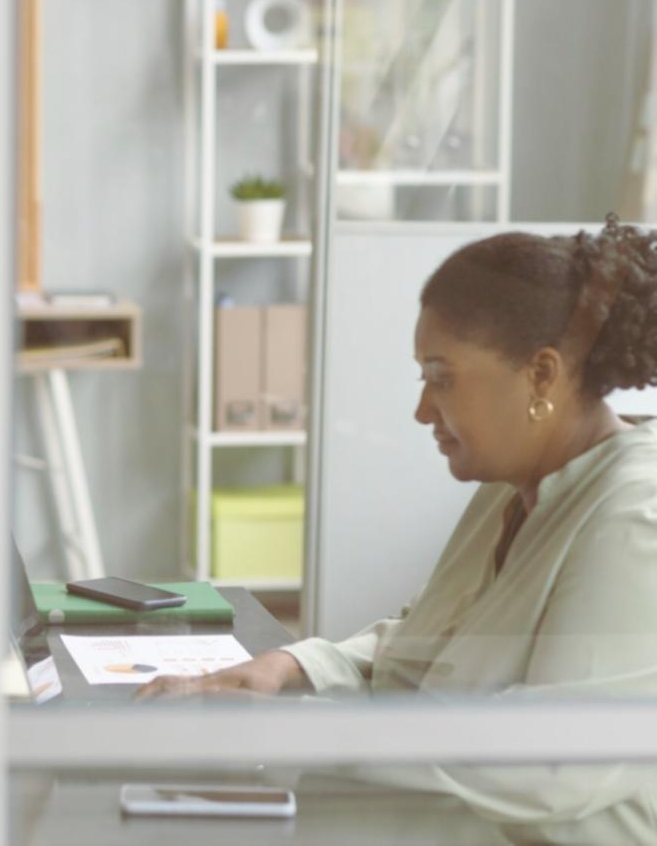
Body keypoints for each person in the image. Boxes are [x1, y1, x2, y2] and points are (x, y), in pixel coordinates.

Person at [140, 216, 657, 826]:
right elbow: (426, 644)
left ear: (541, 375)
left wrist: (290, 730)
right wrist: (290, 668)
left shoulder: (633, 519)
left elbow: (550, 766)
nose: (421, 410)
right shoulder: (514, 487)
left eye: (443, 378)